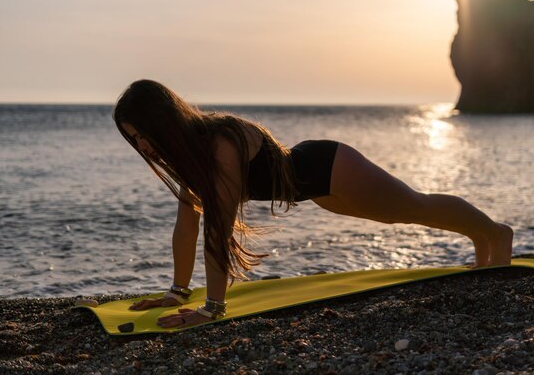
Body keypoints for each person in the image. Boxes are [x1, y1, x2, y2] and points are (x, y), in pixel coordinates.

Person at [113, 79, 513, 328]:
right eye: (133, 139)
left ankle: (496, 234)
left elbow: (217, 227)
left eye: (143, 134)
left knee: (412, 207)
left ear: (163, 120)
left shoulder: (219, 143)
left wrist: (213, 309)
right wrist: (178, 292)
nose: (142, 146)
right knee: (402, 214)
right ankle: (481, 239)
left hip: (329, 167)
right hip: (315, 189)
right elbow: (187, 227)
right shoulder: (190, 159)